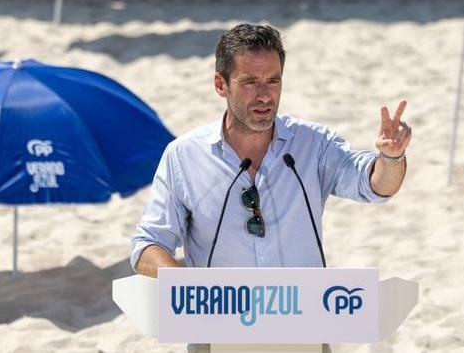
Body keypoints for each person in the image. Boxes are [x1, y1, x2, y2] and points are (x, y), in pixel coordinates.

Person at [130, 22, 411, 275]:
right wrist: (189, 287)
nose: (264, 95)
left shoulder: (312, 143)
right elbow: (148, 245)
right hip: (218, 325)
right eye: (250, 82)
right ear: (221, 85)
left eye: (273, 81)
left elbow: (375, 185)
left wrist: (391, 157)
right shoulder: (184, 156)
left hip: (301, 324)